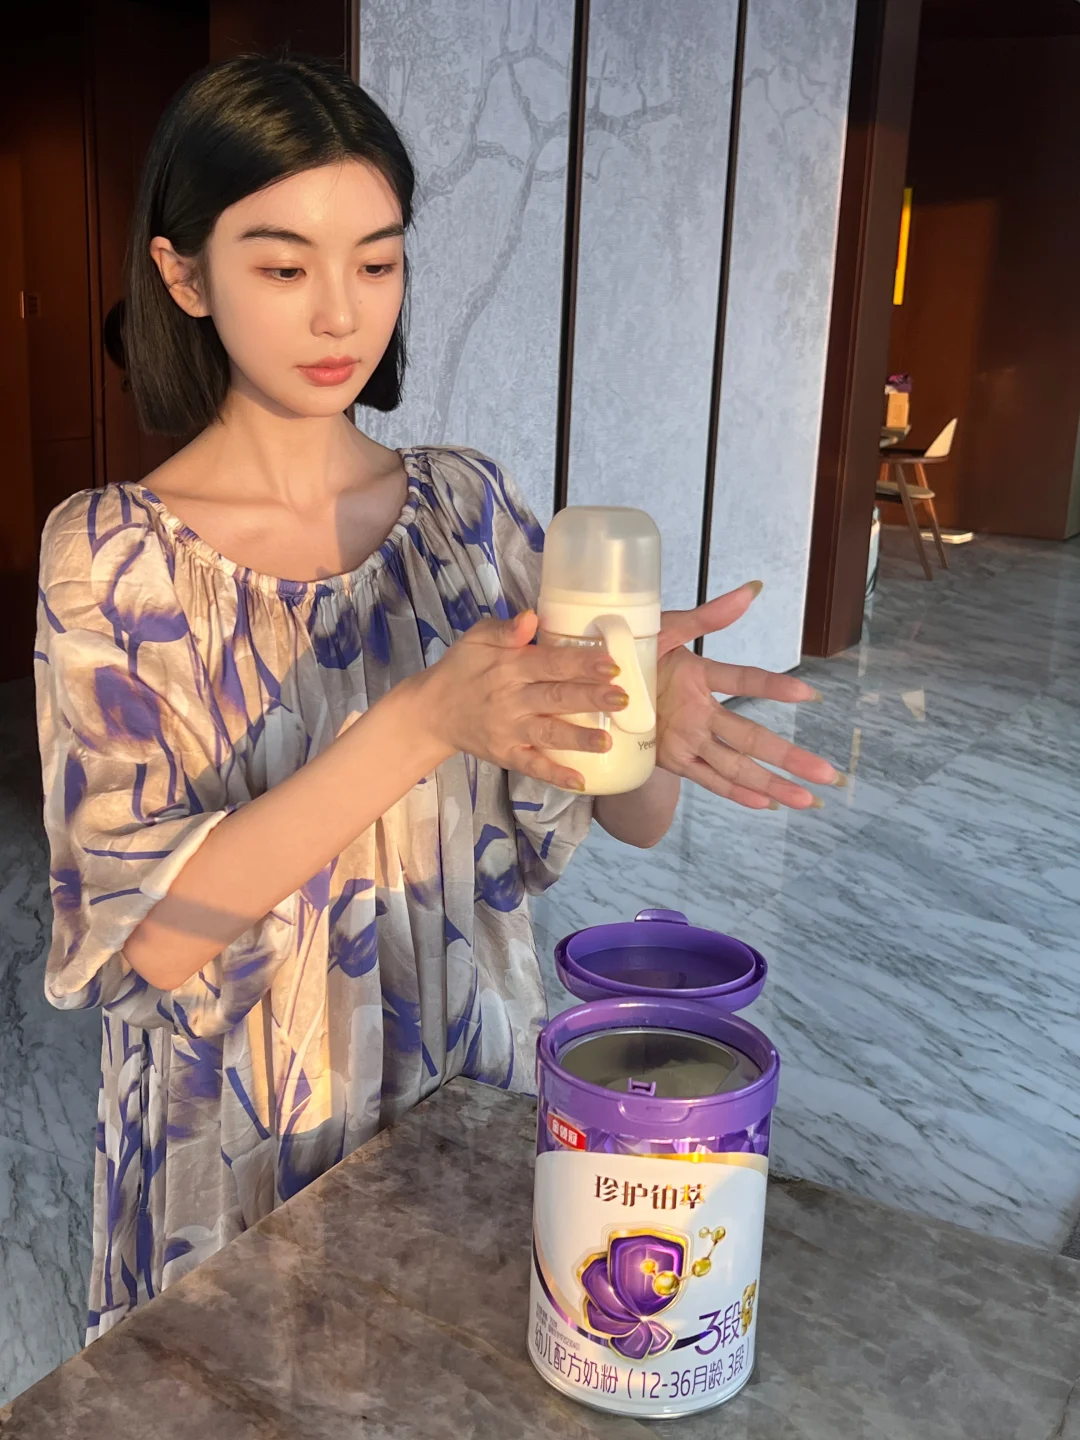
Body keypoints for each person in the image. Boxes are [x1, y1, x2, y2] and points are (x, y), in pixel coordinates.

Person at [34, 54, 840, 1341]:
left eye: (378, 261)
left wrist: (646, 713)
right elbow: (155, 942)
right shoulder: (112, 557)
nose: (338, 314)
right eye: (283, 267)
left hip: (464, 1084)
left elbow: (630, 820)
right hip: (237, 1136)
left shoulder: (468, 507)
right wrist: (420, 721)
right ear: (184, 275)